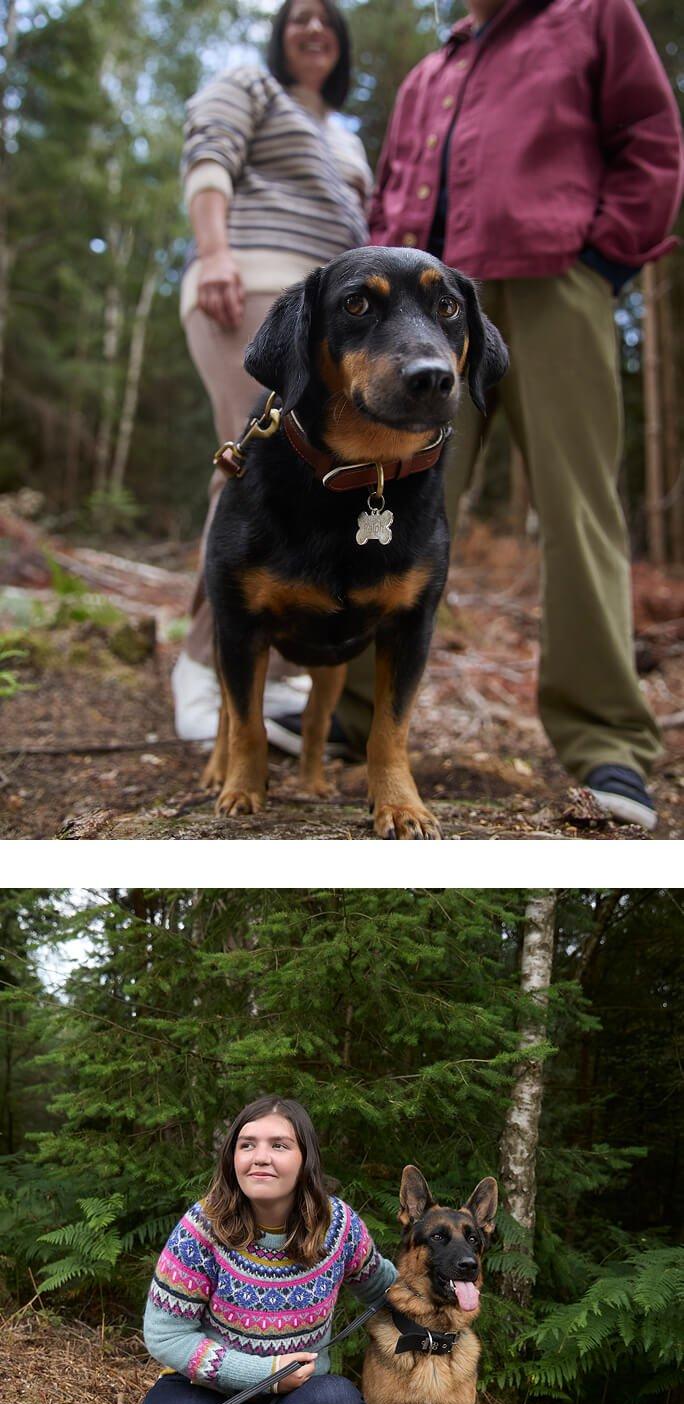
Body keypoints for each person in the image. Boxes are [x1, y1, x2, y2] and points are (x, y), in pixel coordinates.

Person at [272, 0, 683, 830]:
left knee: (577, 505)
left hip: (553, 281)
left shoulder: (593, 15)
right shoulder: (433, 68)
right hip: (419, 315)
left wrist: (602, 258)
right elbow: (392, 201)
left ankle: (605, 739)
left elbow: (651, 137)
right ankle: (353, 716)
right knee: (377, 496)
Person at [172, 0, 373, 748]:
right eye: (298, 17)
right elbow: (209, 156)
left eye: (327, 18)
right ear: (278, 34)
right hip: (249, 285)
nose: (313, 28)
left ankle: (277, 678)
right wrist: (215, 250)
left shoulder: (347, 143)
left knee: (308, 476)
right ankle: (201, 672)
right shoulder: (249, 85)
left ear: (341, 42)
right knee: (251, 466)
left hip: (332, 319)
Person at [135, 1096, 396, 1404]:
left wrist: (448, 1289)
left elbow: (382, 1285)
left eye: (280, 1144)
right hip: (204, 1397)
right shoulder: (202, 1227)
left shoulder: (338, 1228)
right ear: (232, 1156)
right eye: (247, 1144)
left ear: (305, 1159)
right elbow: (165, 1333)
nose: (261, 1156)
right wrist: (262, 1374)